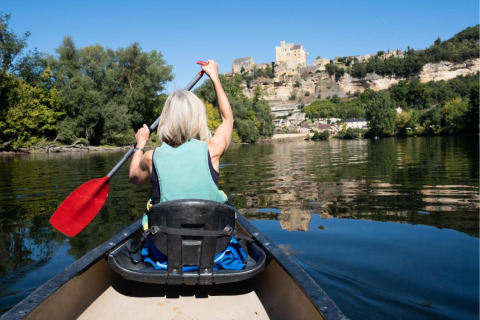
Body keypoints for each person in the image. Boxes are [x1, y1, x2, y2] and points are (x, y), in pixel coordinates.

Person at [129, 60, 233, 204]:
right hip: (209, 225)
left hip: (165, 226)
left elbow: (134, 177)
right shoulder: (212, 150)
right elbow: (227, 119)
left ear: (166, 119)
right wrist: (215, 77)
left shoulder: (150, 158)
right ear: (198, 117)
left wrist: (140, 145)